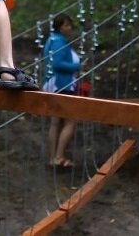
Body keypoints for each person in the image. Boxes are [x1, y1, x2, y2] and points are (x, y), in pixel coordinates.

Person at [42, 13, 81, 169]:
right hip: (62, 85)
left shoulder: (51, 40)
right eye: (66, 25)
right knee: (70, 120)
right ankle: (58, 157)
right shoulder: (59, 42)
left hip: (53, 85)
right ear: (59, 27)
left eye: (70, 25)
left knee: (55, 122)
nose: (69, 28)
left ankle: (53, 158)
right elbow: (58, 64)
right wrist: (76, 67)